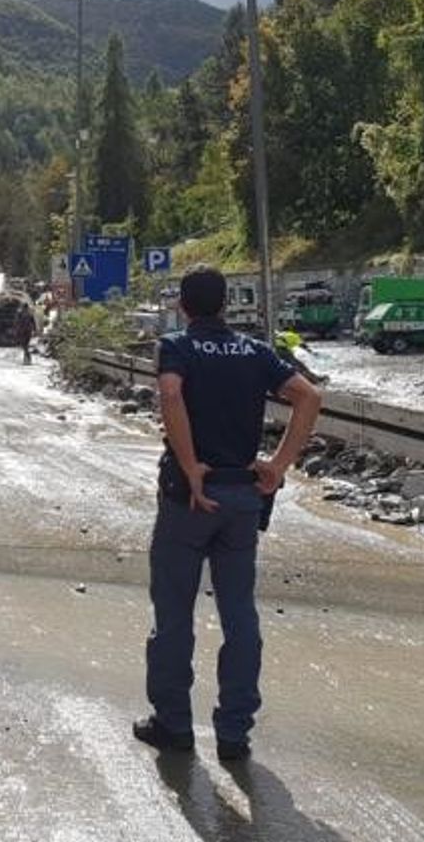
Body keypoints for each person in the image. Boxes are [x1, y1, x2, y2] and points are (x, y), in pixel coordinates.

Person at [134, 265, 321, 763]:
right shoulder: (255, 351)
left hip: (189, 499)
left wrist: (191, 467)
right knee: (239, 612)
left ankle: (174, 725)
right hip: (242, 496)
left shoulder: (177, 346)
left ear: (183, 307)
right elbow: (309, 397)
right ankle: (234, 733)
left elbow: (170, 393)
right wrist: (278, 466)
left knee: (174, 612)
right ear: (224, 306)